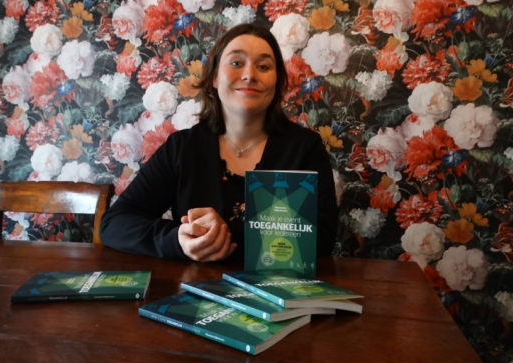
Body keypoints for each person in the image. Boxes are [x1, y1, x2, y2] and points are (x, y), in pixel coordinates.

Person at [100, 24, 338, 262]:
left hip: (278, 284)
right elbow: (114, 223)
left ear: (276, 82)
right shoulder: (182, 147)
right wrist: (177, 240)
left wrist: (226, 235)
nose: (249, 75)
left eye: (264, 66)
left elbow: (323, 239)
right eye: (236, 63)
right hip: (195, 284)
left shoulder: (305, 148)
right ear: (214, 77)